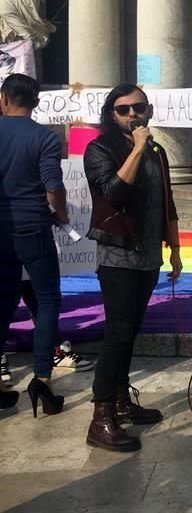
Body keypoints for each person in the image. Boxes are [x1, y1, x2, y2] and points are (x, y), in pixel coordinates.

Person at [84, 84, 182, 452]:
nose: (132, 115)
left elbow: (167, 201)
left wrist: (175, 248)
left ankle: (122, 400)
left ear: (149, 110)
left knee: (131, 330)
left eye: (138, 108)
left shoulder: (158, 152)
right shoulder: (100, 149)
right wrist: (138, 149)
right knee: (118, 333)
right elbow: (112, 192)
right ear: (112, 114)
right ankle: (101, 416)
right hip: (118, 254)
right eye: (123, 110)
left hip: (148, 255)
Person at [0, 73, 66, 415]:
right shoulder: (44, 137)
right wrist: (62, 214)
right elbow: (53, 186)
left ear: (4, 99)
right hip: (33, 227)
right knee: (47, 299)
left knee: (4, 301)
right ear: (36, 103)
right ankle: (42, 378)